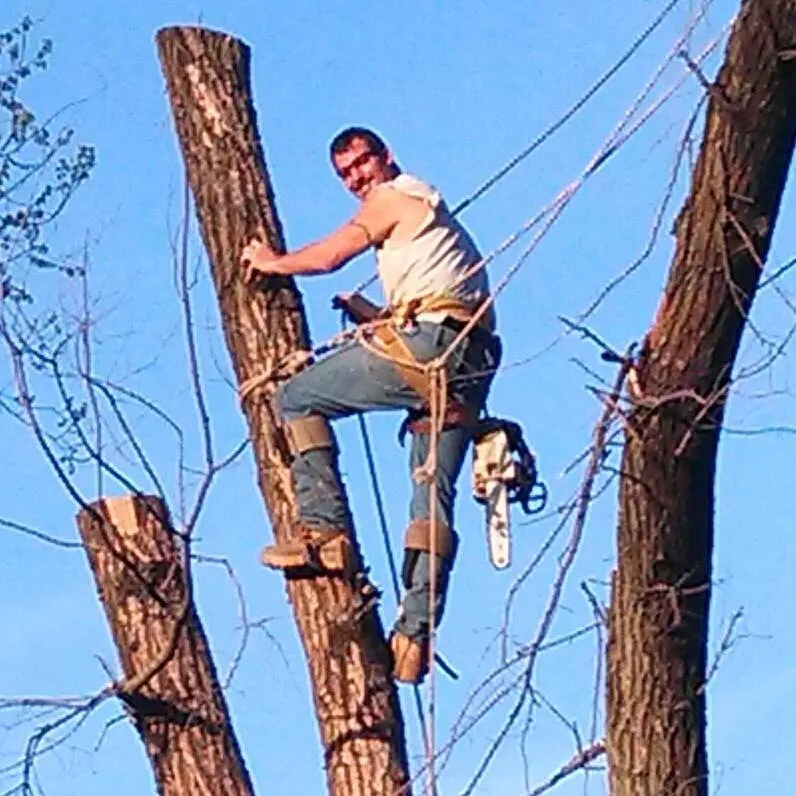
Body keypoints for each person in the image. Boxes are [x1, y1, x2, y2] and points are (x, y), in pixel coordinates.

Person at [240, 126, 501, 684]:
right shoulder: (431, 222)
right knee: (431, 496)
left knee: (296, 396)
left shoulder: (393, 197)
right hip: (471, 361)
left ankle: (324, 531)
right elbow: (438, 296)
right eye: (346, 173)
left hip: (435, 348)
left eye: (362, 163)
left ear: (386, 157)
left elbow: (330, 256)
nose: (357, 178)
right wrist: (371, 315)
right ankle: (413, 636)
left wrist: (271, 261)